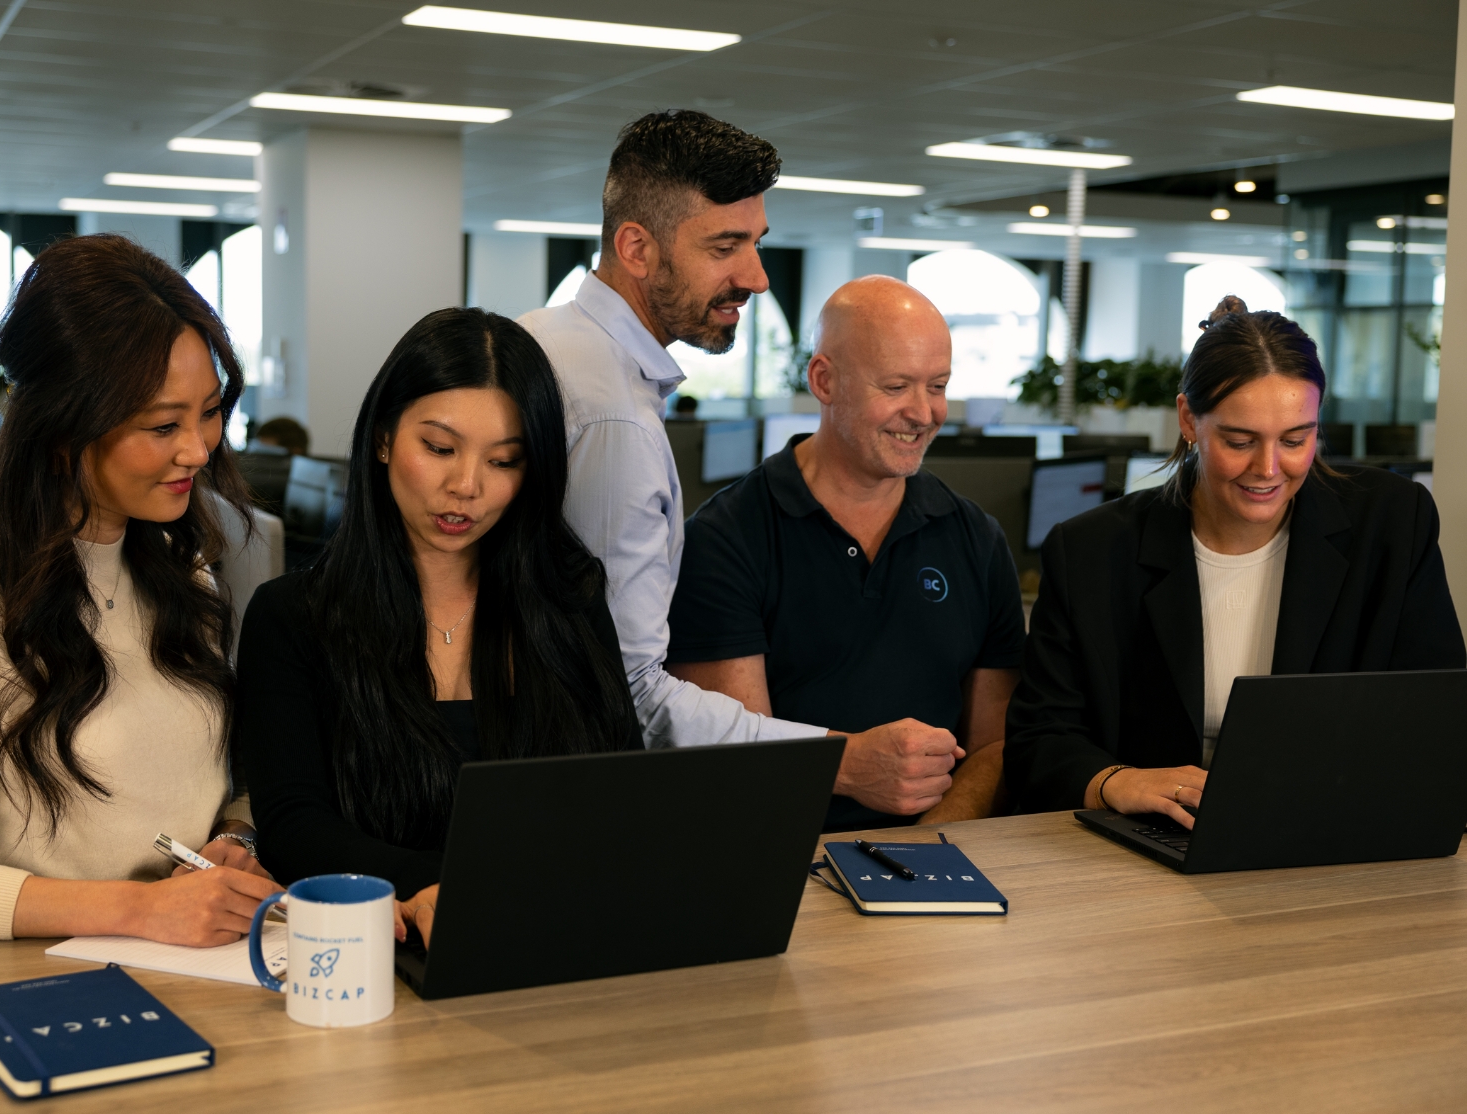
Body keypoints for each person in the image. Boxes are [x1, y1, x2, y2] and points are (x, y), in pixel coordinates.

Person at [520, 110, 962, 819]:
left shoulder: (539, 340)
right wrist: (842, 761)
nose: (756, 278)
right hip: (555, 788)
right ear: (635, 247)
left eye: (756, 243)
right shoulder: (611, 418)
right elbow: (623, 690)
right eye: (725, 246)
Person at [0, 234, 278, 943]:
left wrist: (233, 837)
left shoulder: (180, 567)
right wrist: (140, 910)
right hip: (27, 985)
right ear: (62, 430)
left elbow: (206, 781)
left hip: (185, 968)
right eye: (162, 425)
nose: (199, 449)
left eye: (209, 410)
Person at [234, 308, 643, 950]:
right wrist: (437, 886)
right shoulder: (293, 617)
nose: (466, 487)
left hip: (561, 939)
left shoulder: (568, 598)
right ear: (383, 439)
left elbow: (621, 793)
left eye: (504, 461)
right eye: (440, 448)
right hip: (382, 949)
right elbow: (293, 826)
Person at [1005, 296, 1466, 827]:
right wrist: (1114, 781)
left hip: (1333, 831)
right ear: (1188, 420)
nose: (1268, 469)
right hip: (1155, 843)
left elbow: (1437, 716)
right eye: (1240, 441)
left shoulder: (1390, 523)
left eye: (1296, 439)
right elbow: (1038, 741)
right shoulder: (1092, 550)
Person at [666, 277, 1024, 830]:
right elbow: (731, 754)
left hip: (943, 853)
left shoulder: (977, 538)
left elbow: (994, 749)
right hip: (783, 856)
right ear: (825, 380)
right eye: (897, 386)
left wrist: (930, 846)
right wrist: (848, 767)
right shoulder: (725, 538)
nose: (924, 413)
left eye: (937, 385)